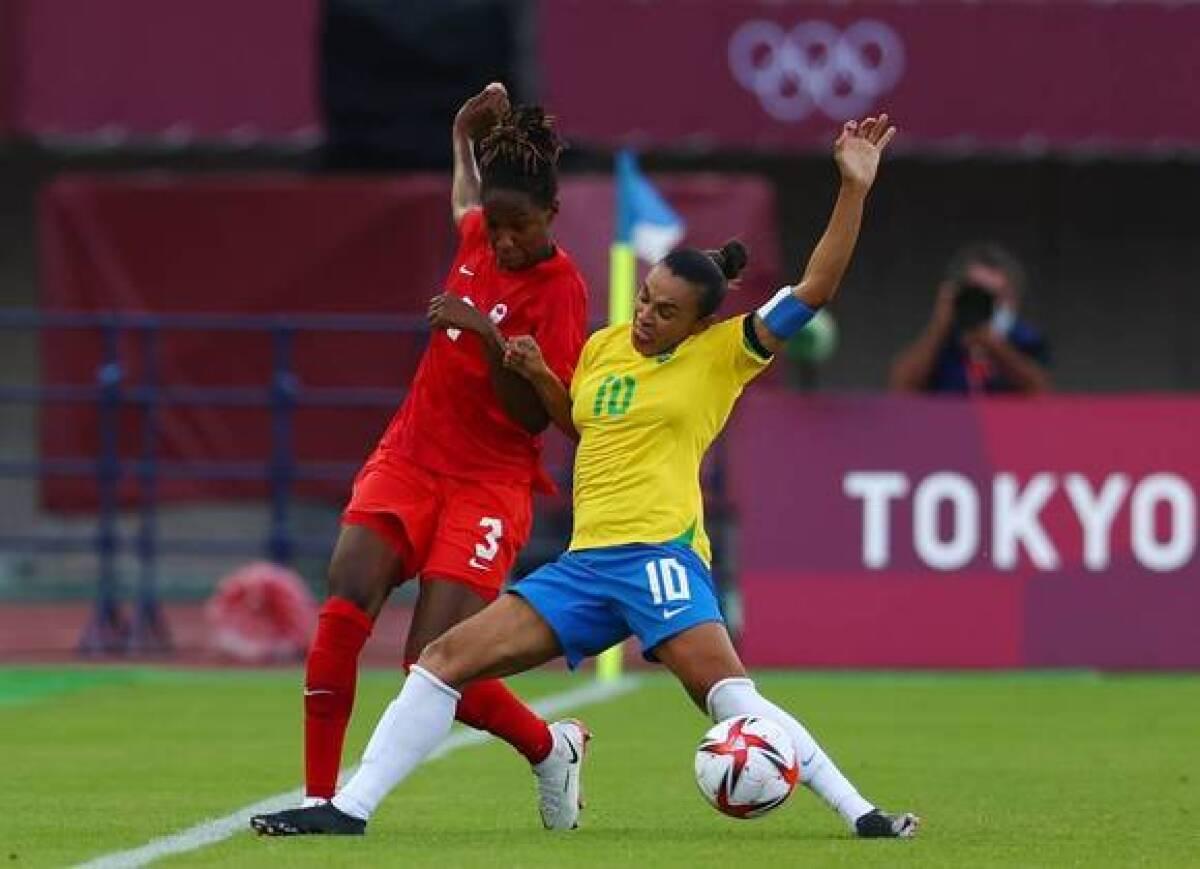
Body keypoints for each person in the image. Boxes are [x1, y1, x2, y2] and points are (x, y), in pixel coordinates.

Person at [251, 114, 918, 839]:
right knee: (442, 660)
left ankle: (863, 813)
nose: (645, 318)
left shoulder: (726, 353)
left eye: (665, 313)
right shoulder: (604, 347)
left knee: (729, 696)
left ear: (698, 324)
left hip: (659, 557)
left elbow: (816, 286)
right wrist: (540, 376)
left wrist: (853, 187)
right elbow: (580, 425)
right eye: (643, 300)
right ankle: (348, 810)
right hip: (586, 564)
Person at [254, 83, 591, 833]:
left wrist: (483, 333)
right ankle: (319, 800)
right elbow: (465, 200)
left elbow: (535, 412)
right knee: (343, 603)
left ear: (553, 218)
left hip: (489, 482)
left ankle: (550, 746)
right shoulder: (479, 232)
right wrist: (458, 136)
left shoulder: (562, 289)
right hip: (408, 456)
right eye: (496, 226)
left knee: (435, 663)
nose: (501, 241)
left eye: (519, 227)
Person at [889, 242, 1051, 394]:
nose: (986, 305)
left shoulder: (1025, 339)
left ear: (1013, 300)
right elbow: (901, 387)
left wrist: (992, 344)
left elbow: (1041, 392)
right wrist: (939, 325)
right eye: (978, 295)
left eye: (997, 297)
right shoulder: (942, 340)